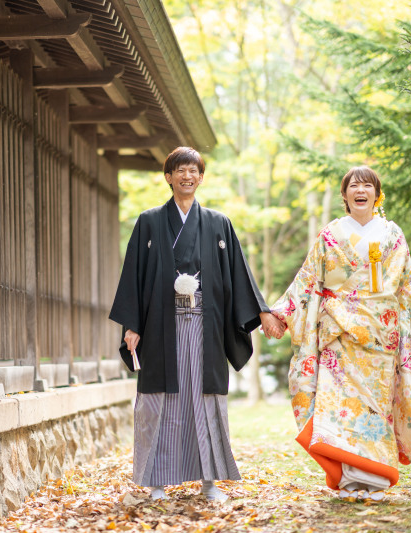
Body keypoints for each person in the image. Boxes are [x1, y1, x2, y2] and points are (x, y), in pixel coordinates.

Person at [261, 166, 411, 501]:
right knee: (340, 405)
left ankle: (375, 477)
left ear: (376, 194)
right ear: (344, 196)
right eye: (353, 185)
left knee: (376, 407)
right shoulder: (330, 233)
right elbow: (309, 277)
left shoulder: (392, 233)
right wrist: (280, 313)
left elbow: (410, 280)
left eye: (367, 185)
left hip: (381, 332)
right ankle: (347, 477)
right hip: (338, 333)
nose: (360, 189)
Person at [109, 147, 282, 502]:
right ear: (168, 177)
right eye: (180, 170)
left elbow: (239, 273)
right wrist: (132, 324)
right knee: (160, 400)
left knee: (204, 399)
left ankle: (209, 481)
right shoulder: (149, 221)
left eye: (194, 171)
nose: (187, 176)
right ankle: (155, 481)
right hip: (160, 325)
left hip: (206, 324)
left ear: (201, 177)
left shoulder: (218, 223)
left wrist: (262, 310)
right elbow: (134, 276)